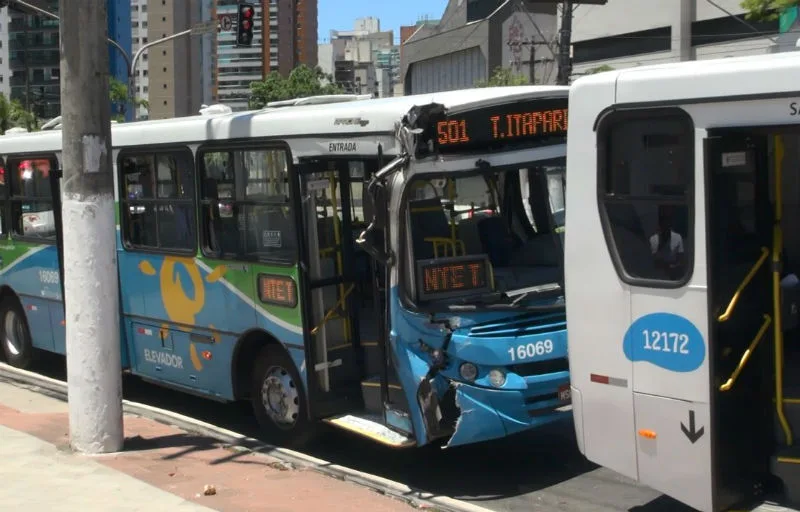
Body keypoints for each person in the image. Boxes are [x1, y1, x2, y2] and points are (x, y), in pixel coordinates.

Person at [649, 204, 684, 278]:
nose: (665, 224)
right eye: (663, 222)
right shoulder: (653, 239)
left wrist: (674, 266)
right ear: (660, 224)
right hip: (657, 275)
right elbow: (654, 262)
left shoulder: (678, 237)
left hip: (673, 274)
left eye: (668, 221)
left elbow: (681, 260)